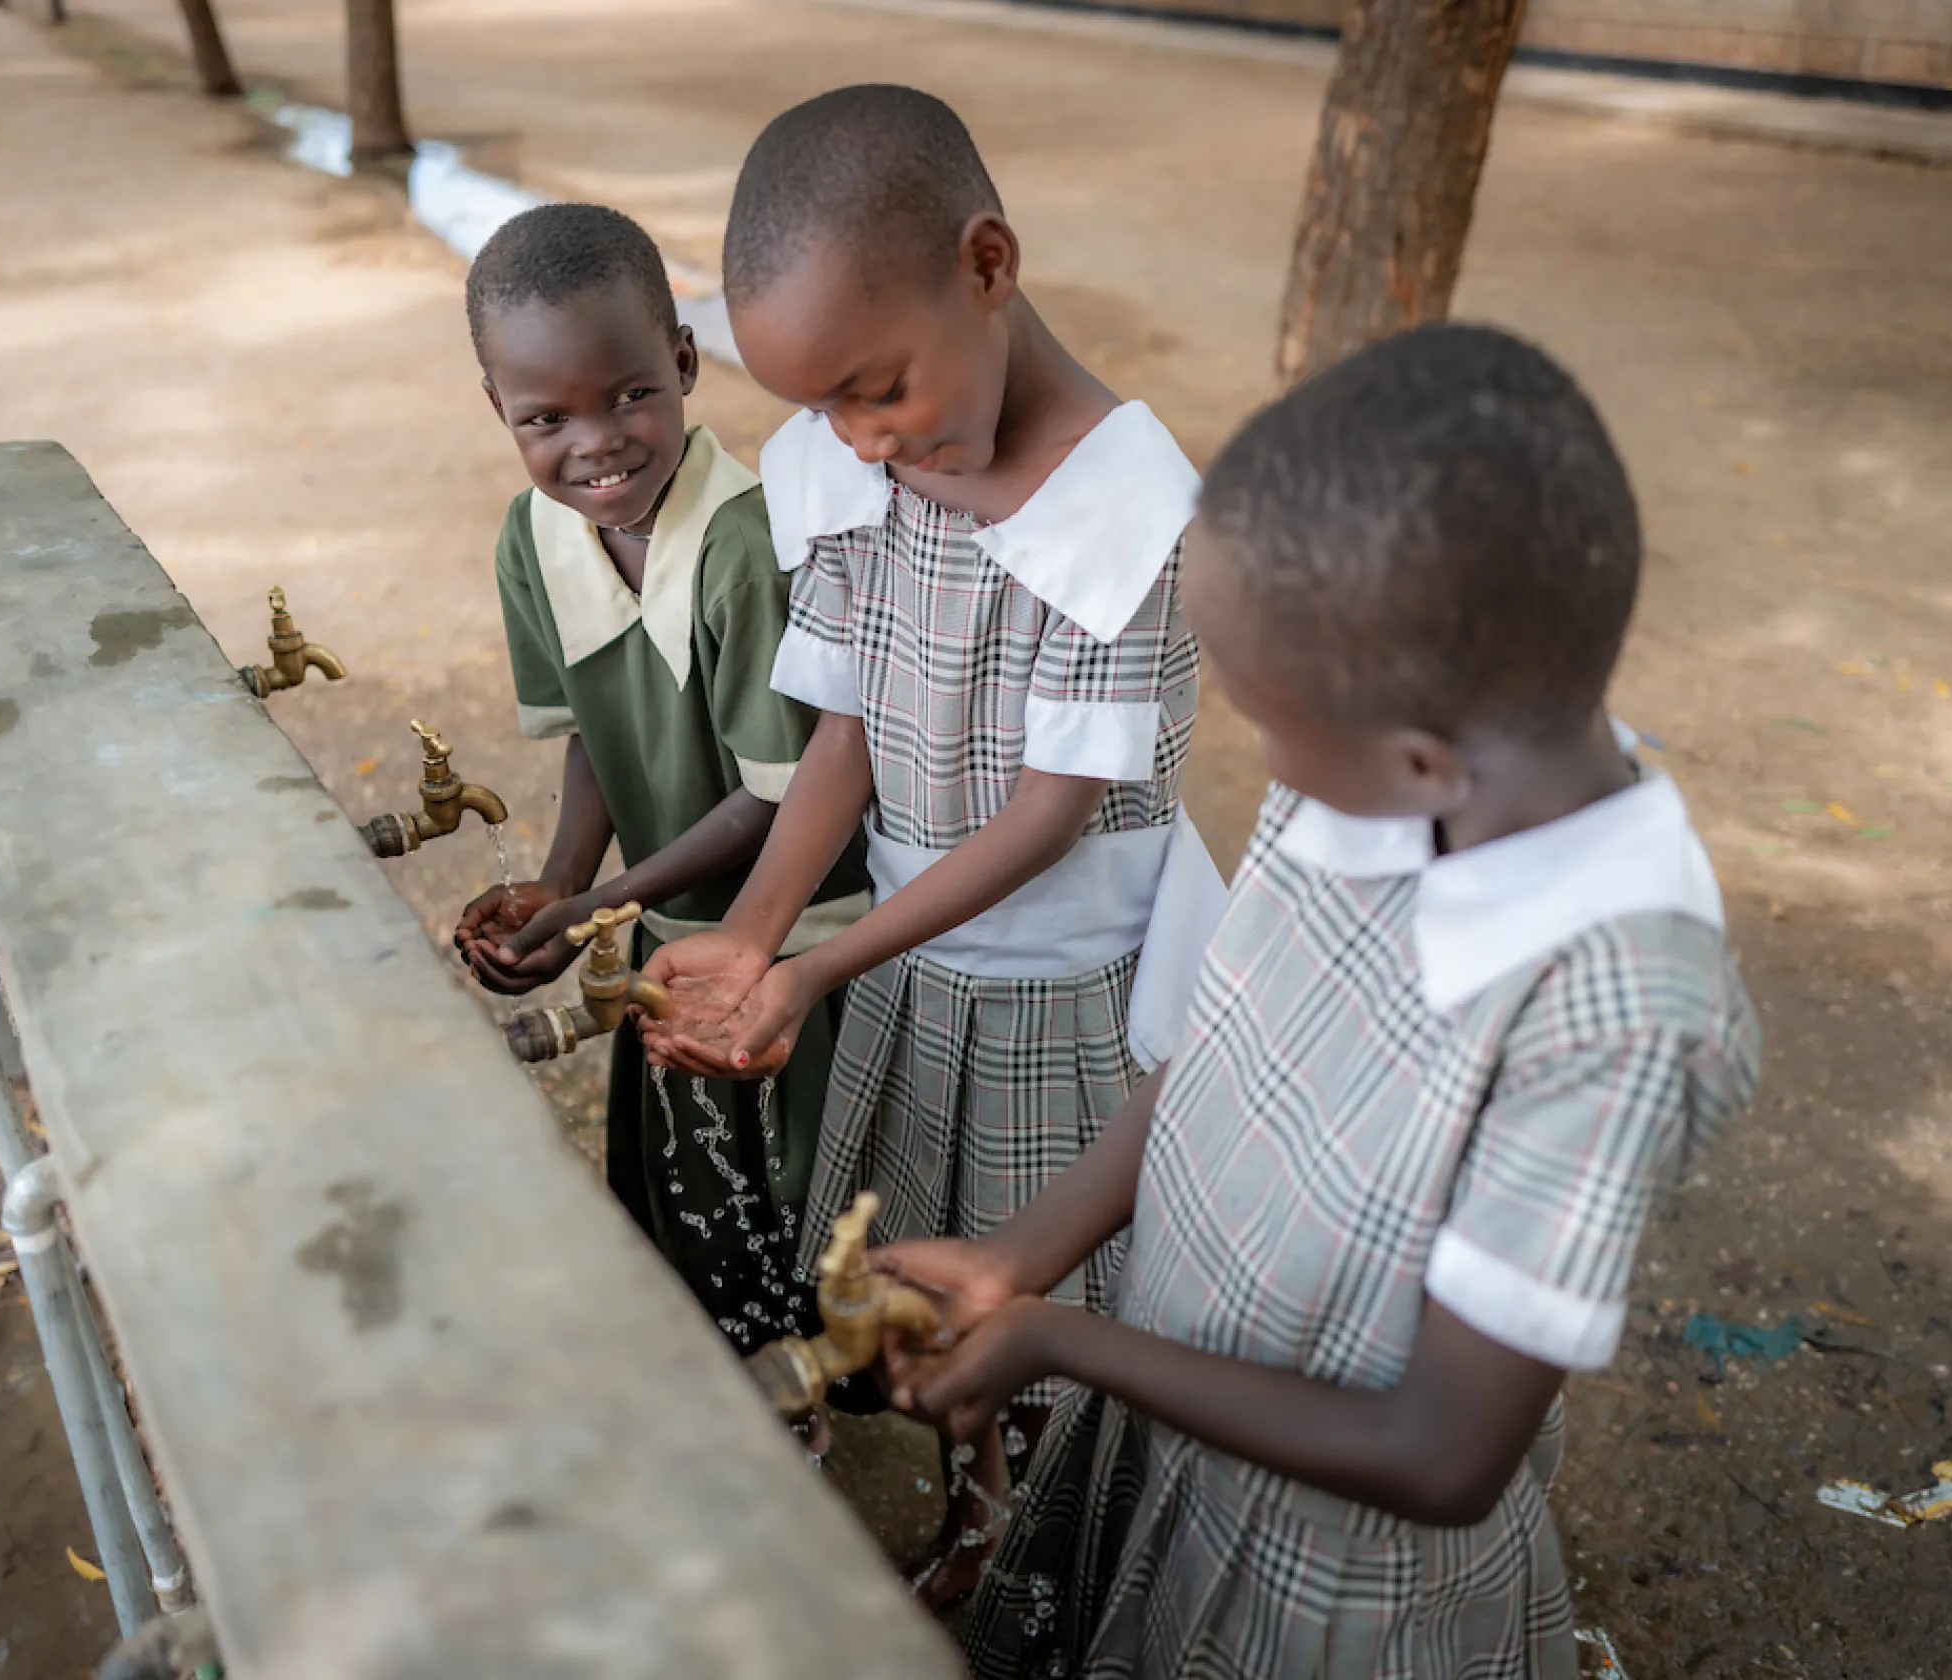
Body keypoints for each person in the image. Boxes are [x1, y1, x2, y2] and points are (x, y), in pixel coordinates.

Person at [877, 323, 1765, 1677]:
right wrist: (1025, 1256)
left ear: (1418, 763)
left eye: (1270, 725)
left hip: (1332, 1589)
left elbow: (1442, 1452)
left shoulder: (1618, 1018)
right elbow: (1223, 1048)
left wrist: (1072, 1343)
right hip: (1182, 1412)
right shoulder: (1382, 754)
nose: (1267, 765)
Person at [637, 86, 1225, 1603]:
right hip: (914, 973)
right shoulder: (851, 476)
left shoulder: (1135, 520)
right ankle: (979, 1513)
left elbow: (1047, 817)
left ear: (986, 264)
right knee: (925, 1264)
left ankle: (1060, 1542)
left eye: (875, 388)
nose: (859, 436)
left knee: (1047, 1283)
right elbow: (842, 736)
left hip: (1060, 993)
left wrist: (824, 958)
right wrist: (760, 934)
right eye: (822, 406)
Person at [451, 202, 869, 1356]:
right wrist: (558, 883)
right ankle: (753, 1395)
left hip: (790, 936)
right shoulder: (533, 539)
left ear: (684, 363)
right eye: (546, 417)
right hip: (665, 921)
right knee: (698, 1210)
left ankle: (817, 1407)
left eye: (630, 394)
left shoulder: (744, 546)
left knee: (802, 1205)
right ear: (500, 411)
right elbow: (595, 727)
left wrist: (599, 905)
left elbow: (774, 793)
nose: (597, 442)